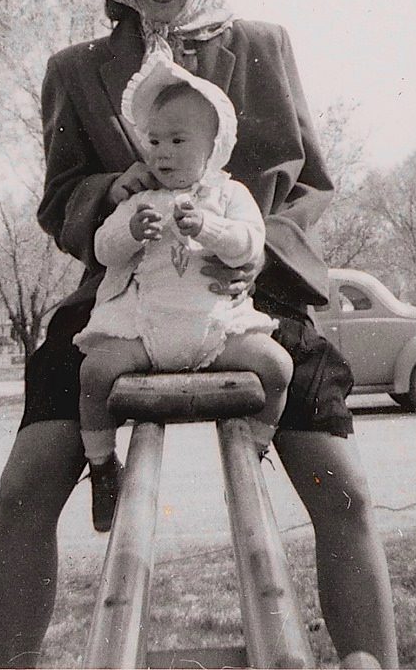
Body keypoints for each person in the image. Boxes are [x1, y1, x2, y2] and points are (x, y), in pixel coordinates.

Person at [0, 0, 399, 669]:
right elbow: (58, 200)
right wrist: (116, 190)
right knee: (24, 485)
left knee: (342, 490)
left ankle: (371, 662)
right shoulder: (76, 70)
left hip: (246, 299)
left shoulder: (262, 46)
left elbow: (308, 184)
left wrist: (251, 256)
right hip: (121, 298)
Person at [76, 50, 293, 532]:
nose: (163, 153)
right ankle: (103, 467)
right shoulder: (142, 201)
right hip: (147, 332)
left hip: (218, 329)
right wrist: (131, 231)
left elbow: (249, 244)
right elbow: (104, 249)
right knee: (94, 372)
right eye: (153, 141)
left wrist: (210, 229)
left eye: (177, 140)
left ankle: (256, 454)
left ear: (212, 149)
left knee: (278, 366)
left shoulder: (228, 195)